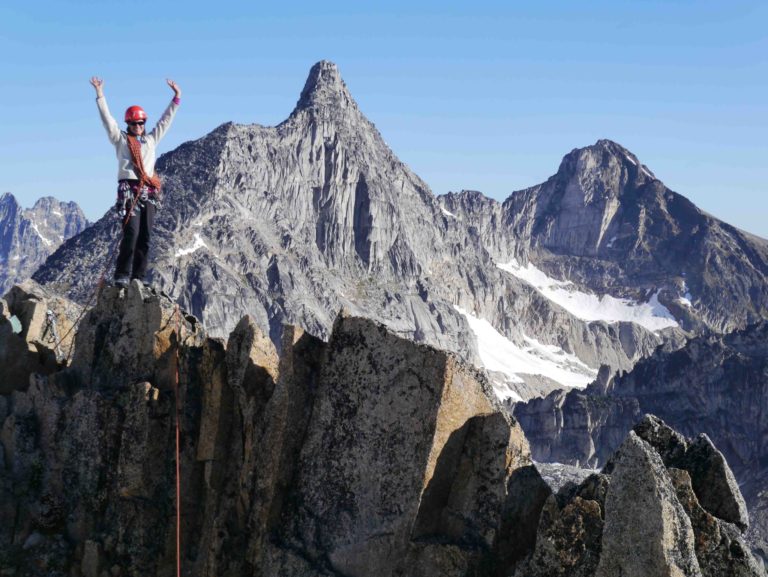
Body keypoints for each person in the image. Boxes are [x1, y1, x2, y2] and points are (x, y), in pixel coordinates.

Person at [90, 76, 181, 289]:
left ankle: (137, 278)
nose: (138, 126)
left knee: (145, 236)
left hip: (147, 190)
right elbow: (108, 121)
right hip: (128, 190)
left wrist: (176, 98)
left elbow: (165, 121)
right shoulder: (121, 140)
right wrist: (100, 95)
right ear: (128, 124)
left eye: (141, 123)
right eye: (134, 123)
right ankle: (122, 275)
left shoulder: (150, 141)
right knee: (131, 232)